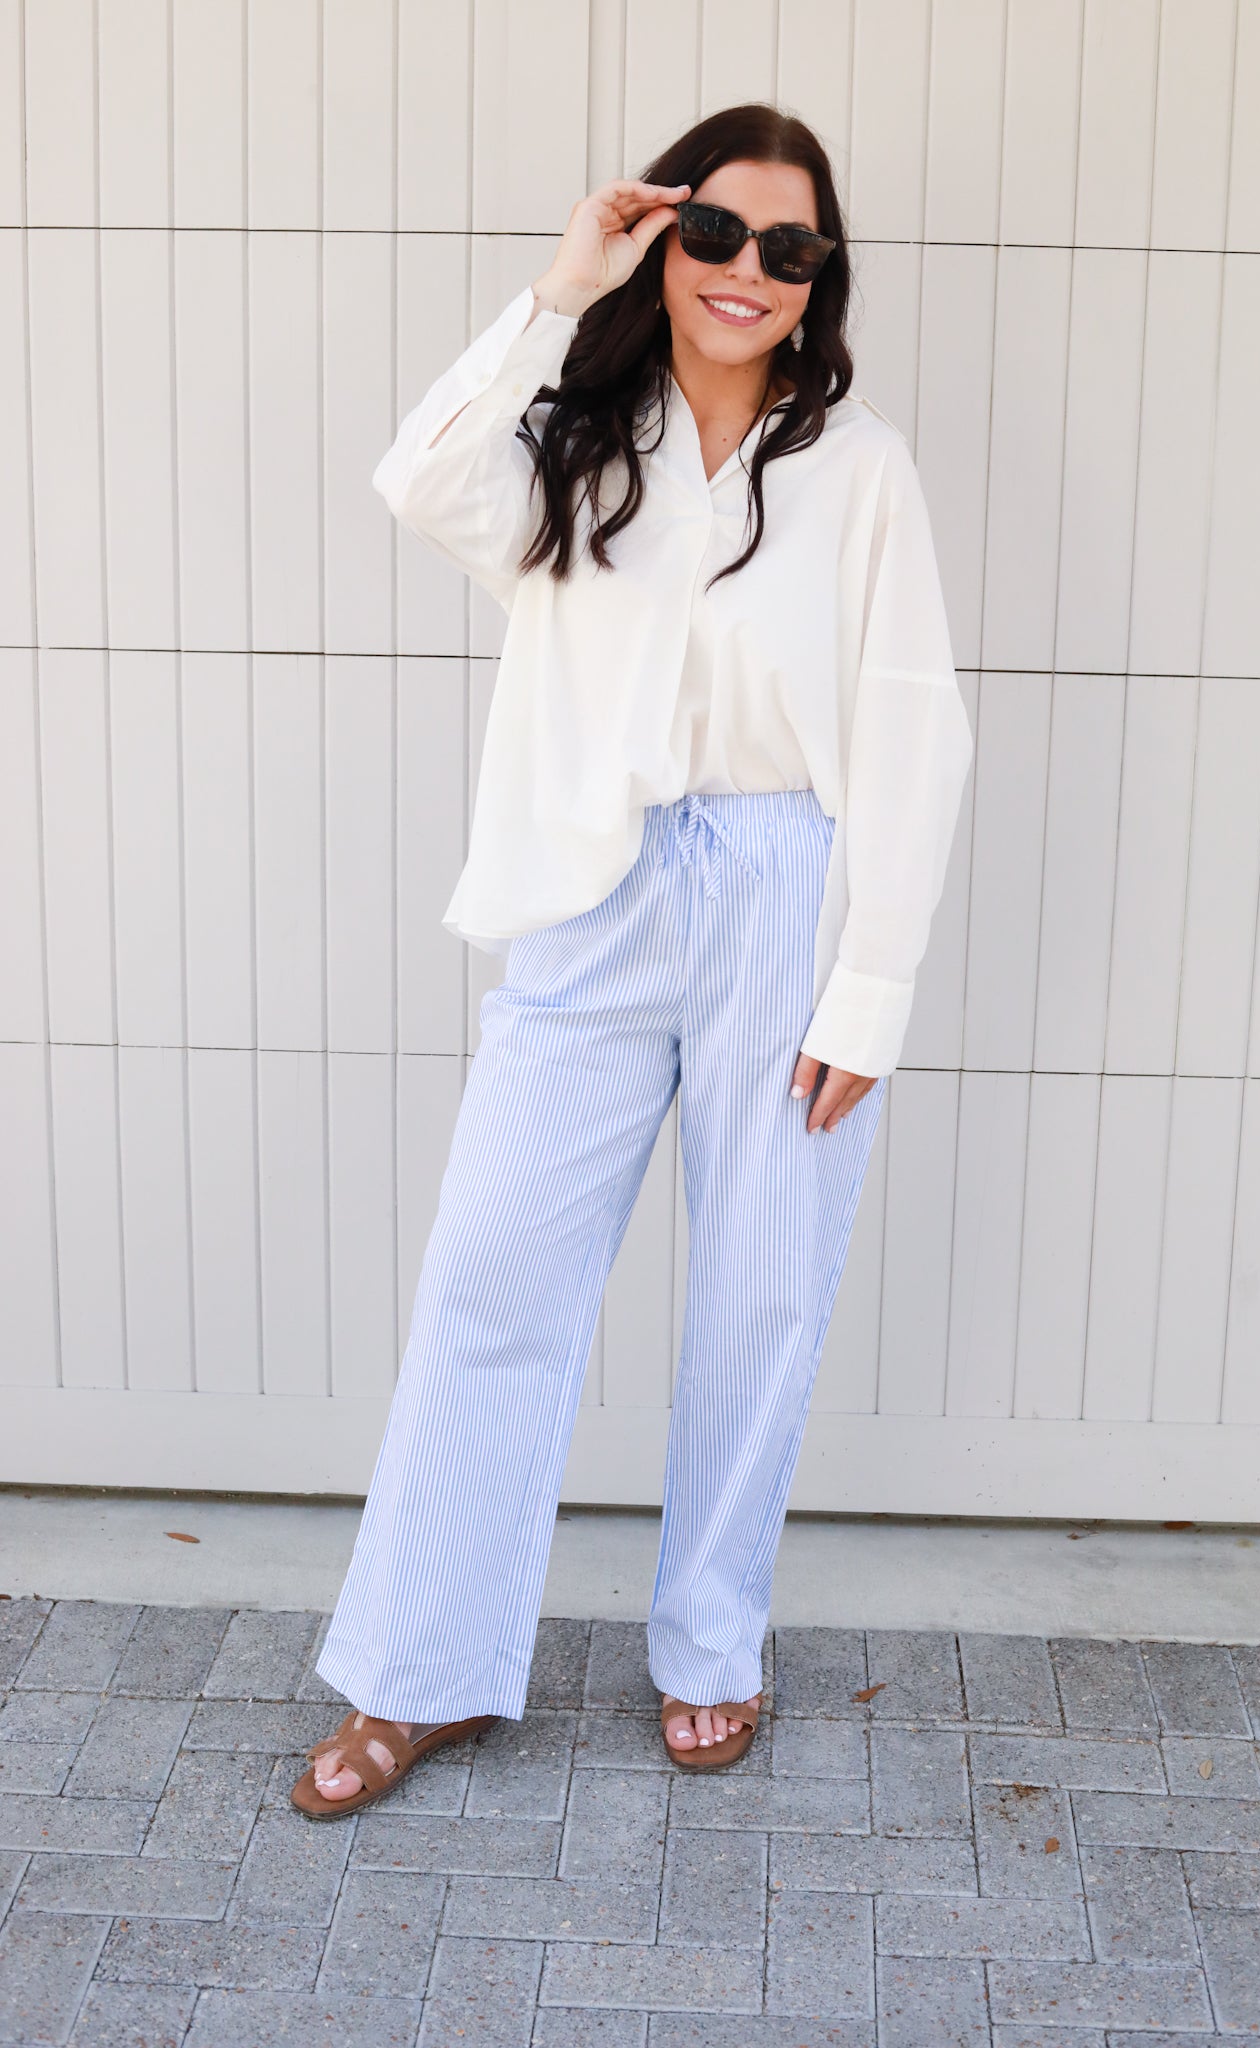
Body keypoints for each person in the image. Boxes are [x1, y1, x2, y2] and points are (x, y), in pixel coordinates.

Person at [291, 101, 973, 1818]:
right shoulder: (576, 438)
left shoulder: (860, 469)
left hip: (781, 891)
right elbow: (416, 480)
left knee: (761, 1289)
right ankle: (419, 1673)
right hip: (589, 900)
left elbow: (913, 737)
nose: (748, 270)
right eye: (715, 235)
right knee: (491, 1282)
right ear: (666, 245)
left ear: (822, 281)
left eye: (788, 249)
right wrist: (555, 285)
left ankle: (712, 1648)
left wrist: (870, 986)